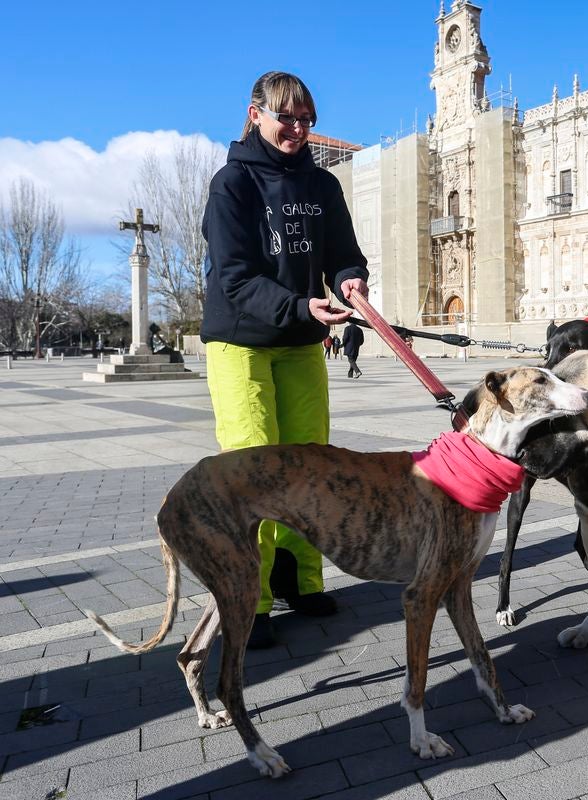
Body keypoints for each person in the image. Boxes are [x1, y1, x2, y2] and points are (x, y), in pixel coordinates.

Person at [201, 70, 369, 648]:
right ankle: (250, 599)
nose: (297, 129)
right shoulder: (233, 184)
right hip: (240, 341)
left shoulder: (323, 187)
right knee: (254, 470)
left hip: (300, 341)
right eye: (286, 118)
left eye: (307, 120)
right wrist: (301, 305)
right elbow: (235, 277)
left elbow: (344, 254)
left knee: (308, 462)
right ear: (256, 115)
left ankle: (301, 578)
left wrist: (351, 284)